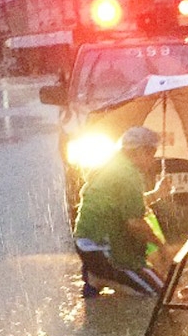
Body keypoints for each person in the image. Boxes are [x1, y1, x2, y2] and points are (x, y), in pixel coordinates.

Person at [72, 126, 173, 298]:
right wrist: (161, 246)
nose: (153, 158)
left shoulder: (112, 166)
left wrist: (157, 194)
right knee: (163, 296)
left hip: (86, 245)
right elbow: (134, 223)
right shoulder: (129, 175)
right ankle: (102, 277)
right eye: (151, 152)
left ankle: (99, 278)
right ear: (139, 151)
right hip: (103, 249)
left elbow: (122, 207)